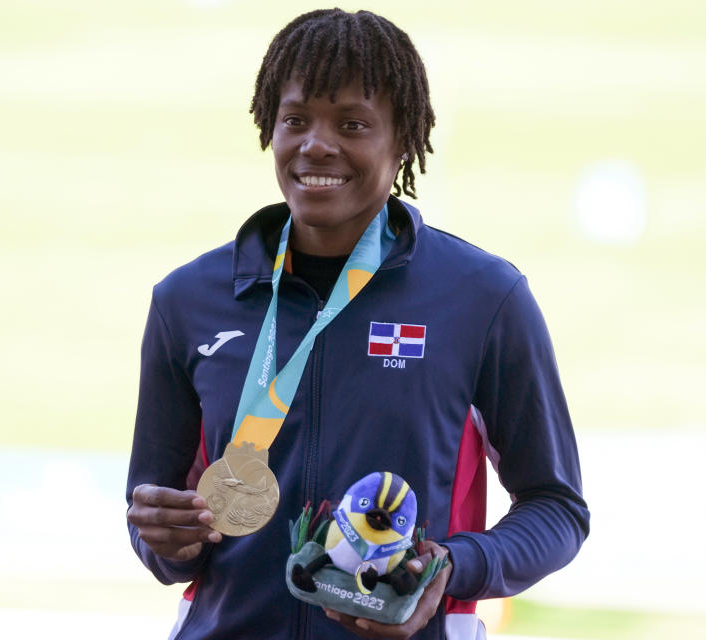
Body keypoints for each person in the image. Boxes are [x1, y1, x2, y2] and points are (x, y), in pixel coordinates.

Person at [126, 9, 589, 640]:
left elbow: (557, 509)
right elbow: (155, 521)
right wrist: (164, 540)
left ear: (402, 139)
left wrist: (453, 567)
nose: (316, 144)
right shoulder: (188, 300)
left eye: (353, 124)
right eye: (295, 120)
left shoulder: (484, 299)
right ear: (270, 128)